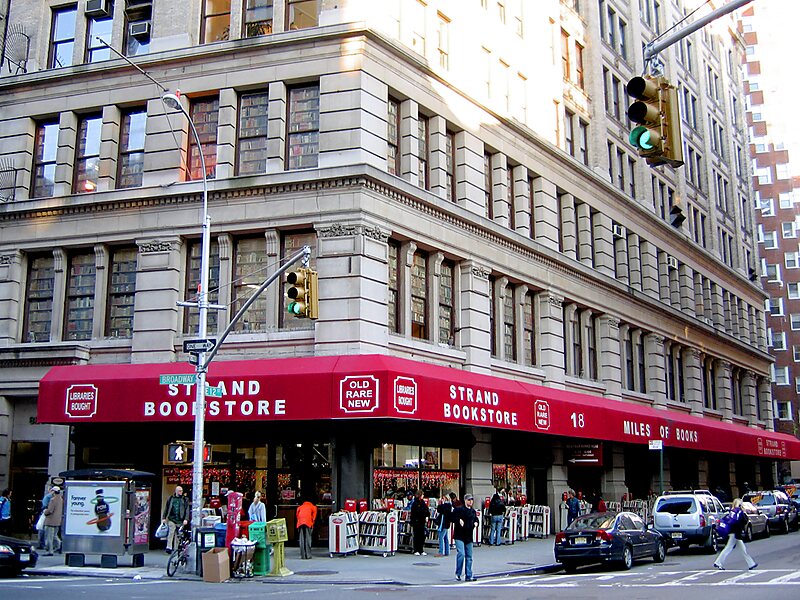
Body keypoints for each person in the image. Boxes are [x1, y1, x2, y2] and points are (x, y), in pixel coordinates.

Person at [713, 498, 757, 571]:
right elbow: (745, 521)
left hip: (733, 533)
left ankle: (751, 564)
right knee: (730, 548)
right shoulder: (739, 512)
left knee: (741, 549)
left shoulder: (732, 512)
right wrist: (744, 512)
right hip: (736, 534)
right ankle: (718, 562)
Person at [452, 493, 479, 582]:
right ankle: (458, 573)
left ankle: (468, 575)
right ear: (465, 501)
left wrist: (476, 522)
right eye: (469, 500)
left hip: (468, 536)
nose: (470, 502)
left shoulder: (473, 511)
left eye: (471, 500)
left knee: (469, 556)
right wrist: (458, 520)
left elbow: (476, 518)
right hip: (459, 535)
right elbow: (452, 517)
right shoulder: (459, 509)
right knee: (461, 554)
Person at [162, 485, 189, 553]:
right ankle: (169, 547)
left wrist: (186, 519)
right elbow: (166, 508)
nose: (181, 492)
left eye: (182, 491)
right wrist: (164, 517)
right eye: (180, 491)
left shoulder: (184, 499)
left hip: (180, 519)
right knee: (171, 532)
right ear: (176, 491)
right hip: (172, 518)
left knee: (178, 534)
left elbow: (187, 510)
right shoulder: (171, 498)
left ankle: (176, 548)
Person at [43, 485, 63, 555]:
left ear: (53, 492)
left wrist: (45, 512)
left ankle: (50, 551)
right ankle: (60, 545)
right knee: (55, 535)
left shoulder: (53, 500)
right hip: (57, 521)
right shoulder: (61, 499)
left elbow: (50, 510)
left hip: (50, 521)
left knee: (49, 537)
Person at [409, 489, 429, 556]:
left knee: (422, 536)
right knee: (417, 536)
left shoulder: (423, 503)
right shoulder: (415, 503)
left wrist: (427, 516)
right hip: (416, 522)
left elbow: (426, 510)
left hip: (422, 522)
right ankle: (416, 550)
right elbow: (413, 513)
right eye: (422, 494)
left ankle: (421, 549)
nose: (423, 496)